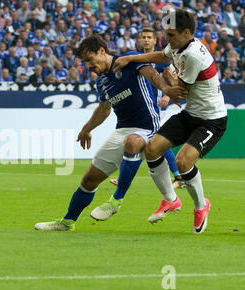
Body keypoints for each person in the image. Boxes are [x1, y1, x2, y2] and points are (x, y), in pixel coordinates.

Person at [35, 34, 184, 231]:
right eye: (85, 62)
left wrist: (167, 89)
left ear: (102, 51)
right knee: (89, 179)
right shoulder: (102, 82)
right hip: (122, 129)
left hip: (149, 127)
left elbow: (152, 75)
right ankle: (67, 222)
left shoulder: (128, 60)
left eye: (90, 59)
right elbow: (105, 109)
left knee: (132, 142)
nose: (88, 65)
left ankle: (116, 200)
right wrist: (86, 129)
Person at [113, 9, 227, 234]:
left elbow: (179, 92)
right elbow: (161, 56)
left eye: (172, 35)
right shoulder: (178, 46)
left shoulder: (193, 55)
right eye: (166, 34)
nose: (168, 39)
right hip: (191, 114)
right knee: (152, 148)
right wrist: (131, 57)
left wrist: (167, 78)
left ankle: (201, 205)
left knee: (184, 162)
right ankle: (170, 199)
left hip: (211, 120)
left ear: (186, 33)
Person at [110, 27, 186, 190]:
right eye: (143, 37)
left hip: (156, 109)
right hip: (141, 108)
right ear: (139, 40)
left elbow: (173, 78)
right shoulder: (136, 59)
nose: (145, 39)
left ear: (154, 41)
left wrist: (166, 96)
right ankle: (177, 176)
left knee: (156, 141)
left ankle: (178, 176)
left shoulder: (162, 60)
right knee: (143, 141)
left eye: (149, 37)